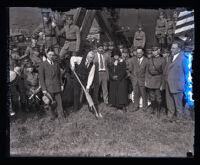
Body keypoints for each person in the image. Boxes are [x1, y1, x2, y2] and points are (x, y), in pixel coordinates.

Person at [70, 51, 100, 116]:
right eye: (90, 57)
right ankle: (76, 108)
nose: (91, 59)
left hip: (84, 79)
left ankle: (91, 108)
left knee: (87, 93)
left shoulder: (93, 65)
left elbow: (90, 77)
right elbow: (72, 58)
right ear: (87, 56)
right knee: (76, 93)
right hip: (77, 77)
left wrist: (88, 87)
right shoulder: (81, 59)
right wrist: (72, 66)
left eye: (92, 58)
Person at [163, 42, 187, 121]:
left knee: (178, 103)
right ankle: (170, 115)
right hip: (168, 84)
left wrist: (184, 84)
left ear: (179, 49)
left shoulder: (183, 58)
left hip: (177, 85)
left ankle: (179, 118)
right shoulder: (170, 57)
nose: (171, 49)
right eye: (171, 48)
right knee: (169, 102)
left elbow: (186, 72)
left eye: (173, 48)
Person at [38, 49, 64, 121]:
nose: (51, 56)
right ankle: (52, 116)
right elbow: (41, 78)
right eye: (50, 55)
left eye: (53, 55)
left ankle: (61, 116)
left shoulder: (56, 64)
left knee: (59, 102)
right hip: (48, 87)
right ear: (46, 54)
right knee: (49, 103)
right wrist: (44, 89)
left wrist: (61, 85)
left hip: (57, 86)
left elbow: (59, 76)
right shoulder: (42, 65)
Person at [145, 46, 165, 118]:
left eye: (155, 50)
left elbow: (164, 73)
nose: (153, 52)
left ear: (158, 51)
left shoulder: (162, 60)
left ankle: (158, 111)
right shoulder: (149, 60)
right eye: (153, 51)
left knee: (158, 97)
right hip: (150, 80)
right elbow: (147, 71)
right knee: (152, 96)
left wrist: (162, 84)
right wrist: (146, 81)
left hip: (158, 80)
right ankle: (153, 110)